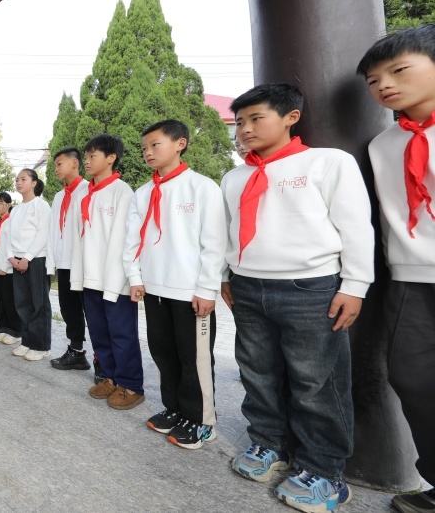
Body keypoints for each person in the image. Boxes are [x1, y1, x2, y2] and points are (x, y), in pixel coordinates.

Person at [219, 84, 373, 512]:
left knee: (317, 382)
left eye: (256, 118)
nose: (245, 130)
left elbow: (357, 227)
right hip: (248, 287)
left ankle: (325, 472)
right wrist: (225, 275)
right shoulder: (234, 177)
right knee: (257, 372)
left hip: (312, 289)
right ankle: (268, 444)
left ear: (291, 117)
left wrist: (355, 285)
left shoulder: (327, 162)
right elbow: (226, 232)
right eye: (239, 123)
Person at [358, 27, 435, 513]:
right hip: (411, 278)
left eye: (399, 70)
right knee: (411, 378)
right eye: (373, 80)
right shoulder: (382, 144)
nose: (384, 84)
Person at [124, 120, 226, 449]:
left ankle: (201, 419)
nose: (148, 152)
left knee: (193, 359)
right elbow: (133, 241)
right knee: (163, 353)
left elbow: (214, 243)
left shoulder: (202, 187)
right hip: (155, 289)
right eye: (144, 148)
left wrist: (207, 289)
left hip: (190, 292)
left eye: (155, 145)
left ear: (180, 143)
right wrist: (136, 278)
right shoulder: (142, 194)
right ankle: (174, 409)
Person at [70, 134, 144, 410]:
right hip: (92, 277)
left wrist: (119, 279)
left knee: (121, 333)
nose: (87, 161)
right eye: (86, 156)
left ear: (111, 158)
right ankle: (112, 378)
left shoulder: (121, 191)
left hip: (115, 279)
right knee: (100, 333)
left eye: (92, 156)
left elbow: (124, 240)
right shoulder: (88, 194)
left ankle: (132, 385)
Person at [46, 148, 90, 371]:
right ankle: (76, 351)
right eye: (54, 165)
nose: (56, 169)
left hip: (82, 263)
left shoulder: (88, 190)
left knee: (91, 311)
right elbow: (54, 230)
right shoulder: (59, 196)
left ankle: (102, 359)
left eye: (59, 164)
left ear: (75, 163)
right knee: (68, 309)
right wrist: (51, 263)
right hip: (64, 263)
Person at [8, 169, 53, 361]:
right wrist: (11, 257)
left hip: (36, 259)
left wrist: (26, 258)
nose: (19, 182)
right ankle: (27, 341)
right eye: (17, 179)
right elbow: (7, 235)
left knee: (38, 303)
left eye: (23, 179)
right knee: (22, 302)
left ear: (34, 183)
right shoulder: (16, 209)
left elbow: (43, 234)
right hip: (17, 260)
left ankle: (41, 345)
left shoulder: (41, 206)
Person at [0, 192, 21, 343]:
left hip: (7, 270)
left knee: (10, 301)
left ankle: (14, 331)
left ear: (8, 204)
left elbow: (12, 247)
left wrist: (4, 266)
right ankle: (2, 328)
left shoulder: (12, 222)